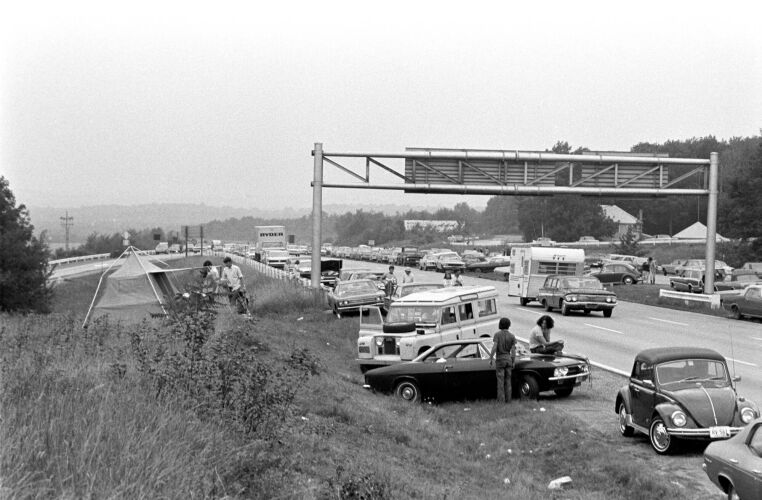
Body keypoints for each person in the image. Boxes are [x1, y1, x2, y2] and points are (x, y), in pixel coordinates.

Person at [489, 317, 517, 403]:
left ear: (500, 324)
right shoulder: (512, 336)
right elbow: (513, 350)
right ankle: (509, 400)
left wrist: (491, 357)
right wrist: (513, 361)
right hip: (508, 359)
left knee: (500, 381)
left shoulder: (497, 335)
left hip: (500, 359)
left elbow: (494, 347)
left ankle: (501, 400)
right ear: (509, 325)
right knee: (508, 380)